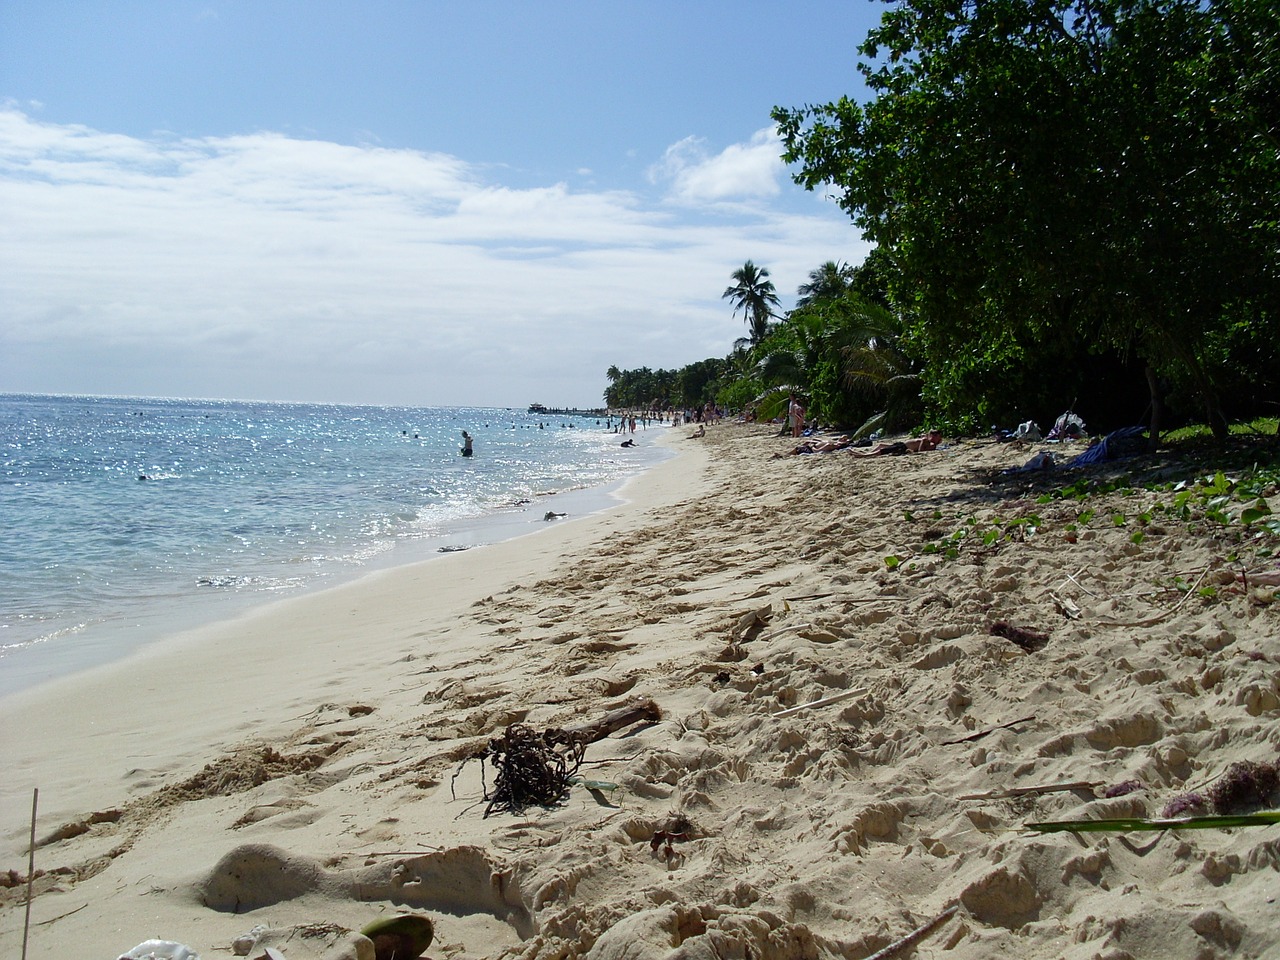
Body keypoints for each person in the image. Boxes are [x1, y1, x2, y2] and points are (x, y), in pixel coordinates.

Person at [849, 429, 942, 457]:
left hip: (903, 448)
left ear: (938, 437)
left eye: (935, 435)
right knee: (881, 445)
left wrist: (922, 441)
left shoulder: (931, 444)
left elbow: (922, 451)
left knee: (882, 450)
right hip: (901, 444)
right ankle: (867, 453)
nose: (932, 436)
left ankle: (864, 455)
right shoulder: (928, 440)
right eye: (931, 434)